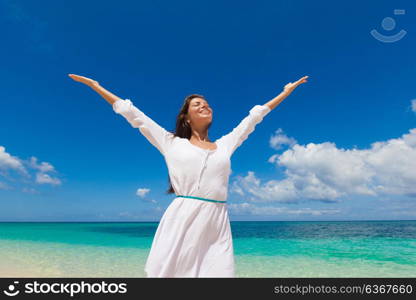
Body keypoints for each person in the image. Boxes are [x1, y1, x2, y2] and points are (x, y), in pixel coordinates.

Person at [68, 73, 308, 277]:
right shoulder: (170, 142)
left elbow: (254, 118)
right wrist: (95, 86)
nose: (205, 106)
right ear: (186, 116)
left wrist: (285, 92)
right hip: (183, 218)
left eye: (207, 104)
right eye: (197, 104)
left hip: (217, 221)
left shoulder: (225, 144)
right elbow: (133, 114)